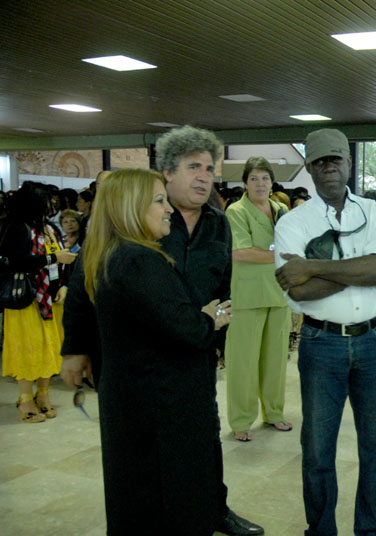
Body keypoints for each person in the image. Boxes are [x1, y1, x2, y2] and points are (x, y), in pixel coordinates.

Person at [61, 125, 264, 536]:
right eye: (194, 167)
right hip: (147, 367)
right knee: (152, 459)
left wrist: (213, 338)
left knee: (203, 438)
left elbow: (223, 287)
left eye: (209, 168)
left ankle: (214, 508)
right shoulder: (134, 233)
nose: (204, 176)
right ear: (167, 172)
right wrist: (75, 348)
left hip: (194, 356)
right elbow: (84, 284)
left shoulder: (218, 223)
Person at [80, 168, 231, 534]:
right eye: (160, 201)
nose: (169, 210)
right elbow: (185, 329)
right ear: (132, 207)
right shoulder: (140, 260)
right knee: (168, 503)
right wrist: (209, 319)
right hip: (161, 407)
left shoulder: (114, 255)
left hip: (138, 401)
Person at [274, 128, 376, 536]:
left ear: (349, 163)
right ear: (310, 168)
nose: (329, 167)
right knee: (317, 450)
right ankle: (321, 530)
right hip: (321, 342)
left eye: (336, 159)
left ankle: (372, 530)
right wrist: (363, 272)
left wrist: (312, 266)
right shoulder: (293, 223)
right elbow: (299, 291)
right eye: (320, 161)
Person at [225, 156, 292, 441]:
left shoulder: (281, 209)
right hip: (248, 296)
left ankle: (274, 413)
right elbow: (240, 252)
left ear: (272, 182)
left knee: (276, 361)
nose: (260, 184)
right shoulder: (236, 211)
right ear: (245, 183)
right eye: (253, 178)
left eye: (265, 178)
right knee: (244, 362)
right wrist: (282, 255)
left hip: (279, 294)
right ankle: (241, 420)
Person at [2, 181, 77, 422]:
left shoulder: (50, 228)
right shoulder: (18, 227)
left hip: (52, 299)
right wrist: (52, 258)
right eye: (47, 201)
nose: (52, 205)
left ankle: (43, 394)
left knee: (50, 348)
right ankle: (25, 398)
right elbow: (16, 261)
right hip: (28, 299)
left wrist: (64, 284)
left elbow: (64, 260)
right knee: (28, 347)